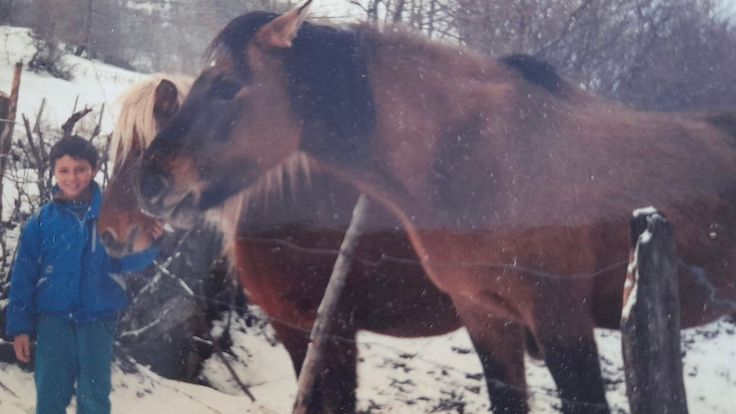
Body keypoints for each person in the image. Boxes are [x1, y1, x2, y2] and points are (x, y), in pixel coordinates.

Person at [5, 135, 163, 414]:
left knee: (94, 398)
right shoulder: (42, 221)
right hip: (53, 322)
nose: (72, 178)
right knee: (50, 396)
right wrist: (20, 328)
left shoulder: (110, 214)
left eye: (80, 169)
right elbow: (24, 276)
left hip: (97, 320)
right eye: (63, 170)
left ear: (95, 169)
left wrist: (152, 244)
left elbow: (127, 262)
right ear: (53, 172)